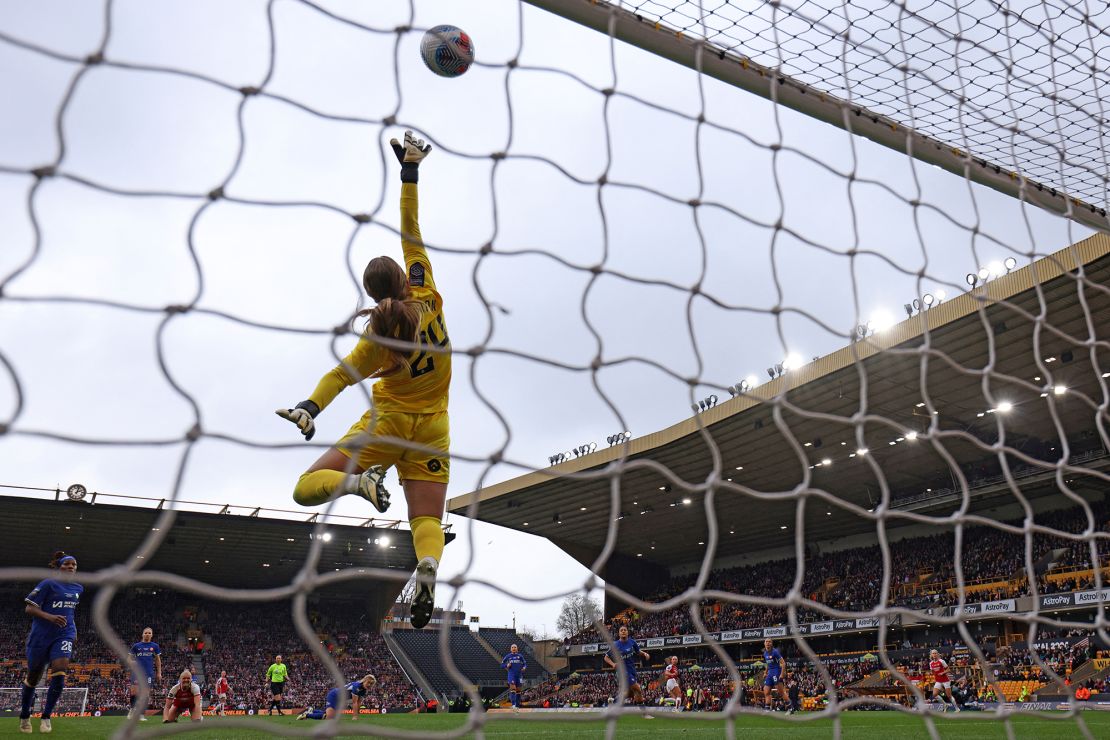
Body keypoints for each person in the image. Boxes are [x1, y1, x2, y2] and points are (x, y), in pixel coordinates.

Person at [277, 130, 451, 630]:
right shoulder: (430, 299)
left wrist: (309, 408)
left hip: (385, 426)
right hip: (435, 429)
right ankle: (430, 565)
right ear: (406, 280)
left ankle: (358, 483)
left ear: (371, 294)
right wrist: (410, 171)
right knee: (427, 522)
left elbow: (339, 374)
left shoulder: (375, 341)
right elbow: (410, 229)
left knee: (305, 487)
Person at [19, 550, 83, 735]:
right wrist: (51, 617)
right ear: (59, 567)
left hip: (64, 634)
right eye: (67, 564)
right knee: (33, 677)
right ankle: (24, 715)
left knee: (60, 672)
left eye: (74, 565)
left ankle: (46, 716)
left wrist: (74, 629)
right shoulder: (48, 584)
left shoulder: (78, 588)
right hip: (41, 636)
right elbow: (29, 608)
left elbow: (70, 612)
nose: (71, 567)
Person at [603, 625, 651, 704]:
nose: (623, 631)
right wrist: (613, 664)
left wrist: (645, 654)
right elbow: (606, 657)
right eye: (621, 630)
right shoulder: (615, 645)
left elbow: (638, 652)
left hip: (632, 669)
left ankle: (613, 701)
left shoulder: (632, 642)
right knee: (638, 688)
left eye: (625, 630)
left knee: (630, 694)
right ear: (619, 633)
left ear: (627, 632)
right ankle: (645, 713)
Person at [297, 675, 376, 721]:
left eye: (371, 684)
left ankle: (312, 711)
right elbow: (355, 702)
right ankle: (307, 715)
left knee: (328, 715)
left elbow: (359, 703)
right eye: (368, 682)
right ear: (364, 680)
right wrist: (355, 716)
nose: (369, 685)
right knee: (330, 717)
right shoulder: (357, 686)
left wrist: (357, 714)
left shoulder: (364, 690)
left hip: (339, 700)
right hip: (334, 695)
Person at [128, 627, 162, 721]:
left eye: (149, 633)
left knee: (145, 694)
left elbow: (158, 660)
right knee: (134, 692)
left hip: (148, 673)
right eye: (146, 633)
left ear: (152, 635)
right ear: (142, 634)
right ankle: (132, 710)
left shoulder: (155, 646)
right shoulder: (136, 646)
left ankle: (141, 715)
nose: (147, 634)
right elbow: (129, 659)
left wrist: (159, 673)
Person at [761, 639, 790, 713]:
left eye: (769, 642)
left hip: (776, 672)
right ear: (764, 644)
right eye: (766, 642)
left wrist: (782, 674)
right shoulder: (765, 653)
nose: (768, 643)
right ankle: (767, 709)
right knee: (766, 691)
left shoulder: (775, 652)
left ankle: (790, 708)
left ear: (772, 644)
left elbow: (783, 663)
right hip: (770, 673)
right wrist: (765, 672)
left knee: (781, 692)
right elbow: (768, 663)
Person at [501, 644, 527, 709]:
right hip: (511, 675)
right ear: (510, 649)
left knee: (518, 691)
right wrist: (506, 665)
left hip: (519, 675)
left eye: (515, 647)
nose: (514, 648)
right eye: (512, 647)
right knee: (513, 689)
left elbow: (525, 664)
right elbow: (501, 665)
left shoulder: (520, 656)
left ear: (517, 648)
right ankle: (513, 705)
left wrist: (524, 667)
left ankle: (517, 706)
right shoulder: (508, 656)